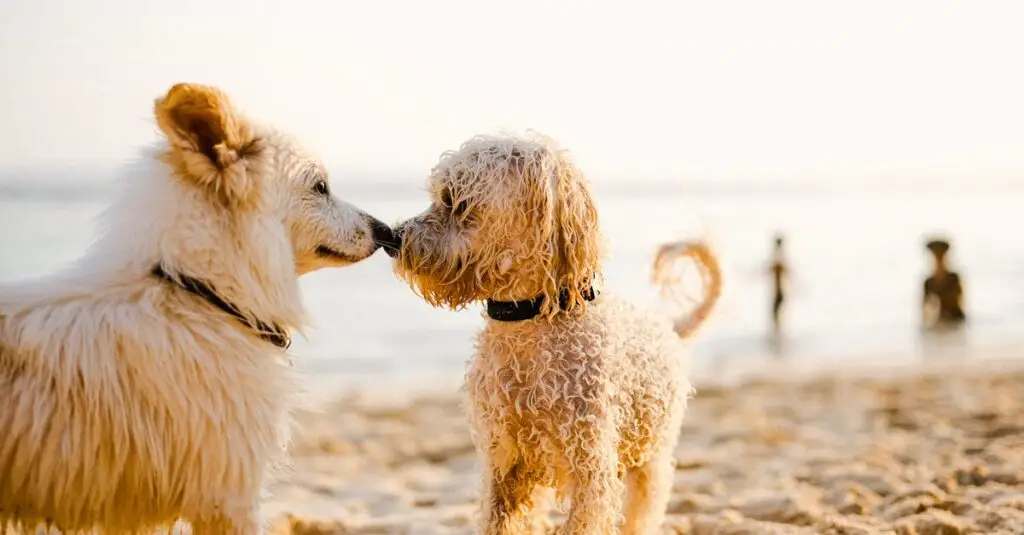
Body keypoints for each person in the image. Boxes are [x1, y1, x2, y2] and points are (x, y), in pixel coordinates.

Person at [922, 238, 967, 331]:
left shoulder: (953, 278)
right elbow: (925, 308)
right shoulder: (929, 282)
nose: (938, 260)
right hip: (940, 322)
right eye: (936, 257)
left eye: (940, 256)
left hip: (955, 321)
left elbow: (959, 300)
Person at [767, 234, 788, 336]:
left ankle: (778, 334)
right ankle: (778, 334)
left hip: (779, 292)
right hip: (779, 292)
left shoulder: (778, 261)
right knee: (776, 314)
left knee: (775, 314)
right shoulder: (779, 258)